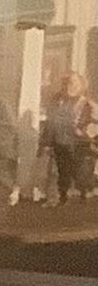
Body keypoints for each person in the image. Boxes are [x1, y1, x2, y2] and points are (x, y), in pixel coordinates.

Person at [39, 70, 98, 206]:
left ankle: (84, 195)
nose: (70, 87)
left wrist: (85, 131)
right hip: (60, 143)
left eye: (74, 83)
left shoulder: (87, 104)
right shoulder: (57, 101)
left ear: (81, 85)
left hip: (79, 145)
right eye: (67, 83)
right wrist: (46, 143)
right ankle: (60, 198)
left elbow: (94, 125)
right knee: (60, 172)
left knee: (80, 174)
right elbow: (51, 122)